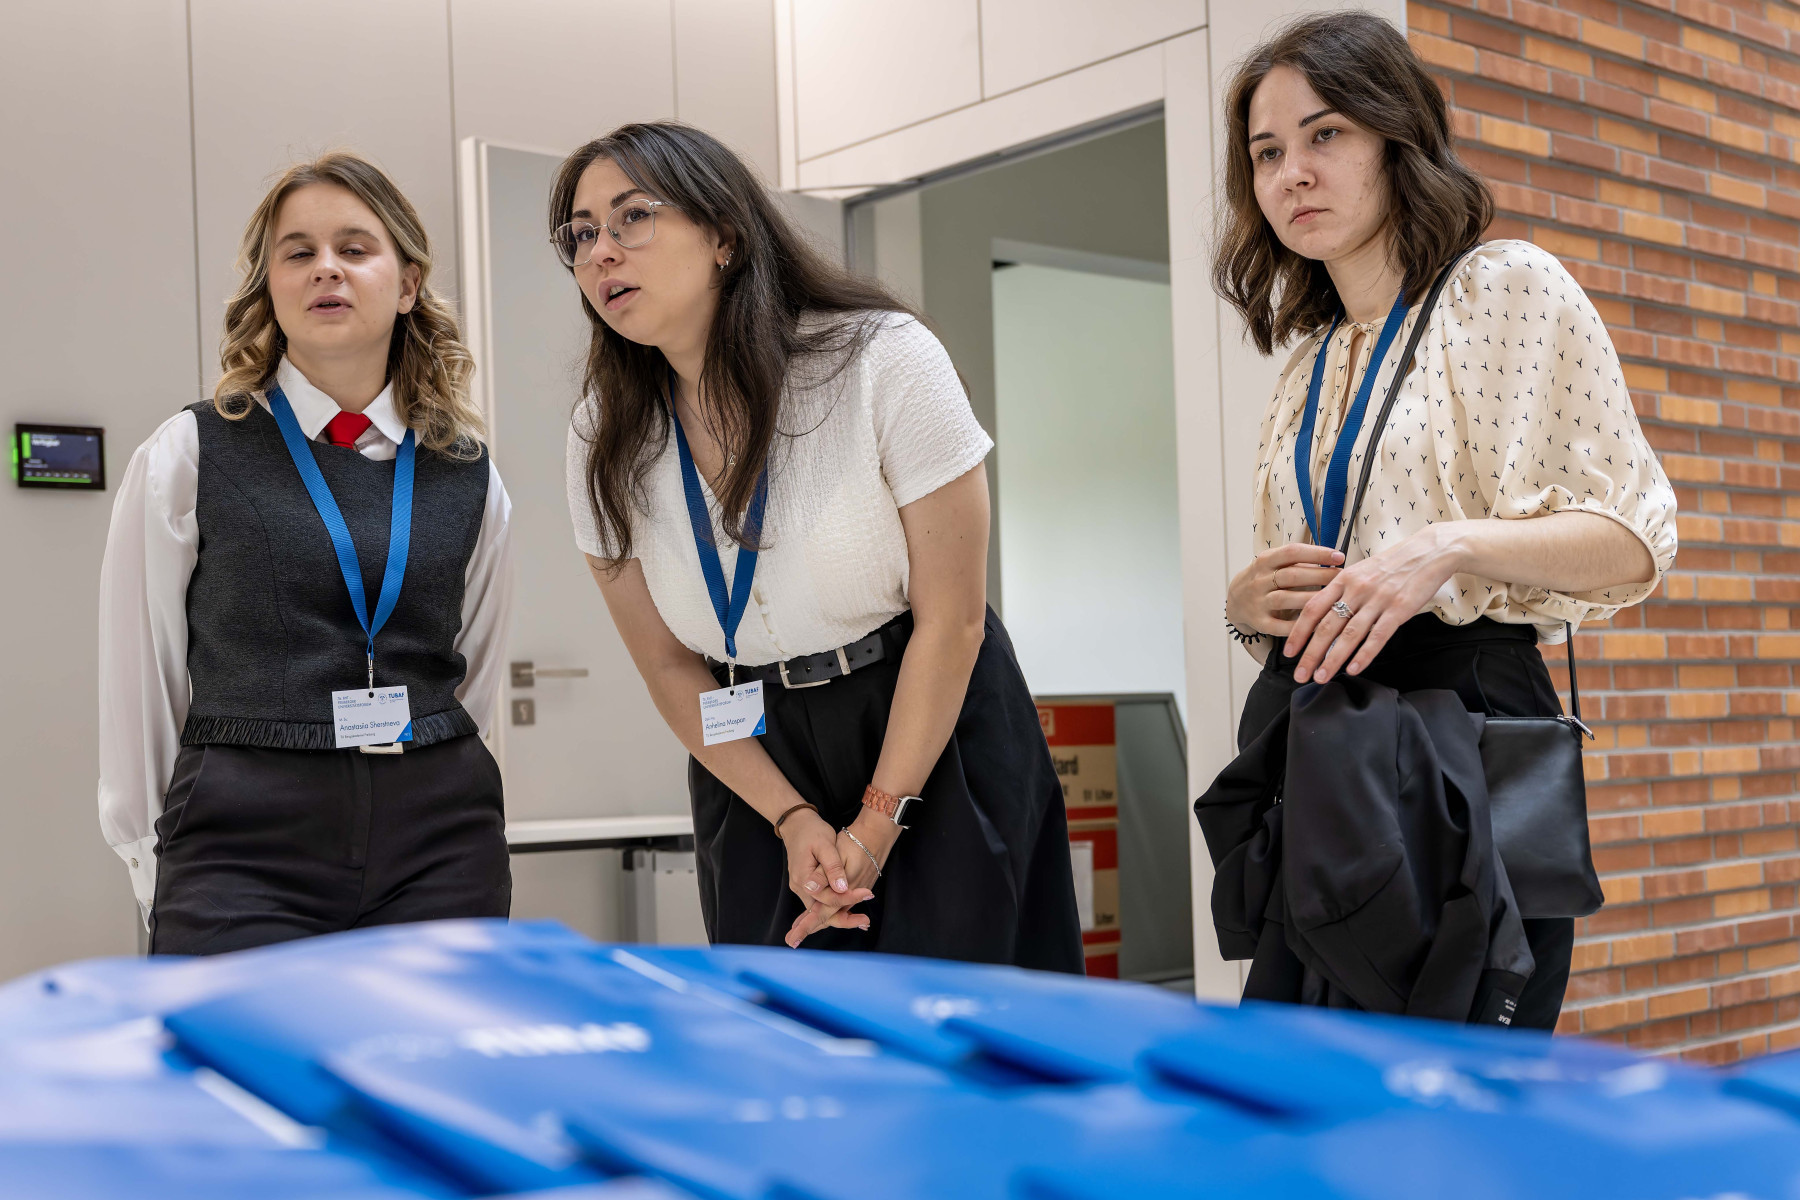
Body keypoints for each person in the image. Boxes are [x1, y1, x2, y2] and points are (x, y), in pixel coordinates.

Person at [1215, 13, 1677, 1028]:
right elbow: (1323, 599)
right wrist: (1248, 611)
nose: (1293, 172)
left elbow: (1634, 543)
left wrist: (1447, 547)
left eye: (1325, 134)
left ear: (1397, 138)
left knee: (1455, 1090)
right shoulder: (1307, 364)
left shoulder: (1507, 288)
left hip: (1467, 726)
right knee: (1304, 1084)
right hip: (1328, 745)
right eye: (1267, 152)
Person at [555, 122, 1082, 969]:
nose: (601, 253)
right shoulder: (601, 434)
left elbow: (953, 621)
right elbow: (667, 664)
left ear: (725, 235)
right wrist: (791, 816)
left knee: (958, 1024)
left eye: (632, 217)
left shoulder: (882, 358)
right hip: (755, 762)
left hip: (926, 724)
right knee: (781, 1024)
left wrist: (875, 824)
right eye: (581, 235)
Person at [98, 152, 515, 954]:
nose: (327, 268)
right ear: (271, 286)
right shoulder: (189, 452)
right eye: (299, 252)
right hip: (241, 847)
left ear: (408, 284)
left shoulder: (469, 474)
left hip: (439, 848)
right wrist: (155, 863)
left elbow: (477, 677)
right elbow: (141, 678)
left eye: (354, 248)